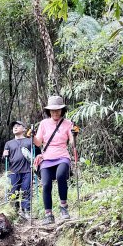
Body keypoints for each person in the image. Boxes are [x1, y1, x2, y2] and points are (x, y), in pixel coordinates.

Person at [33, 95, 74, 225]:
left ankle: (63, 207)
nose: (55, 112)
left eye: (58, 110)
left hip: (62, 155)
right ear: (49, 111)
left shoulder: (68, 124)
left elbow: (72, 143)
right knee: (46, 184)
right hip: (47, 157)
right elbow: (39, 143)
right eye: (53, 110)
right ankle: (48, 214)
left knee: (61, 175)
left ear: (62, 110)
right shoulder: (43, 124)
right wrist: (32, 136)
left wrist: (75, 135)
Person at [2, 121, 32, 219]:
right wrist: (4, 154)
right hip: (13, 171)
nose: (15, 127)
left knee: (26, 191)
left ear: (24, 129)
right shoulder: (8, 143)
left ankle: (26, 211)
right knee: (13, 191)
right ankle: (14, 212)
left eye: (18, 126)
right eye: (14, 126)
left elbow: (36, 154)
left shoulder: (29, 141)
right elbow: (4, 158)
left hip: (27, 170)